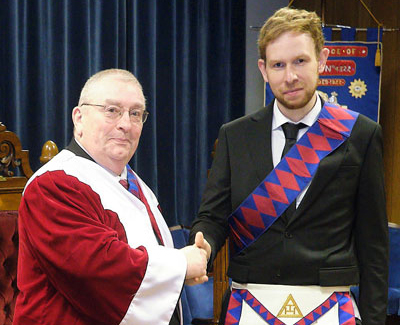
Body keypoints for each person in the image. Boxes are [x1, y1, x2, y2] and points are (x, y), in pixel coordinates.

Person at [189, 7, 388, 325]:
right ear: (263, 70)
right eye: (278, 65)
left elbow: (373, 244)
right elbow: (213, 217)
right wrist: (203, 245)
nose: (290, 76)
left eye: (300, 61)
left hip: (329, 304)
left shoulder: (361, 134)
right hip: (249, 302)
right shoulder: (235, 135)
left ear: (322, 60)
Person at [14, 68, 209, 325]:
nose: (125, 124)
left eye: (136, 113)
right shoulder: (54, 185)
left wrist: (187, 264)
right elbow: (96, 268)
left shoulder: (135, 184)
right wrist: (180, 264)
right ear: (79, 118)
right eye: (112, 110)